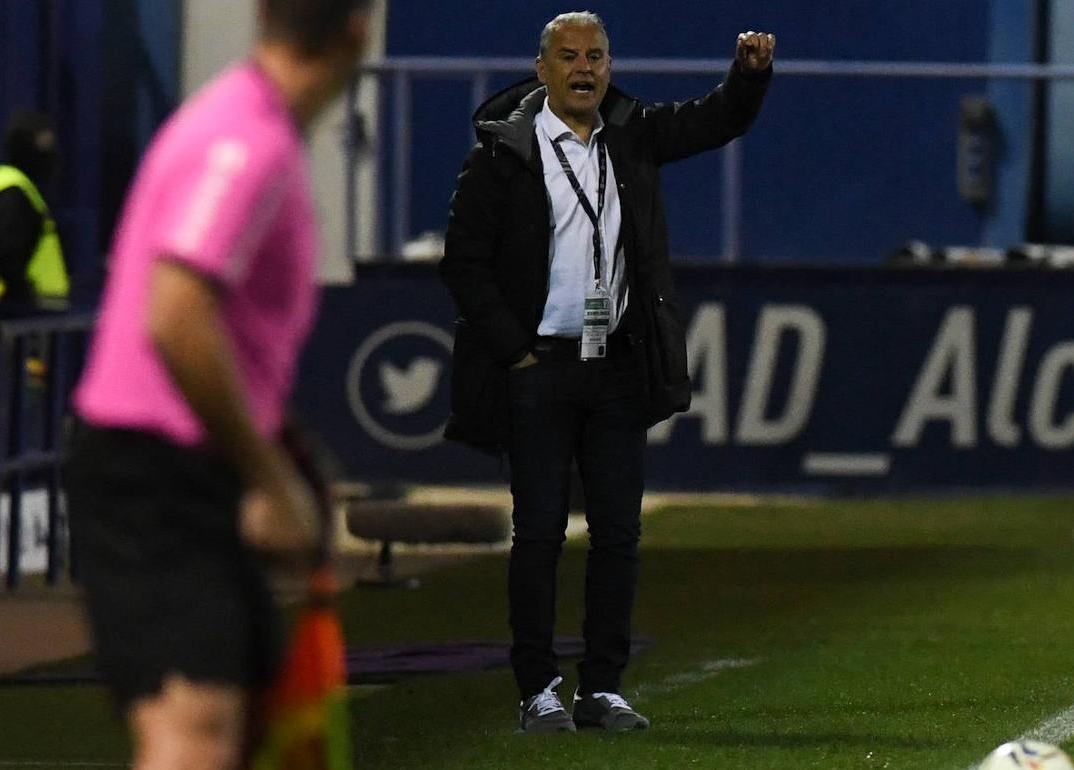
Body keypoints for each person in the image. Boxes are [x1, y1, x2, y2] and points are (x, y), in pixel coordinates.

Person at [439, 11, 774, 733]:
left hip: (615, 368)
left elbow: (715, 122)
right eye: (569, 57)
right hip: (539, 370)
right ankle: (538, 689)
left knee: (618, 534)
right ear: (542, 69)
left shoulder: (632, 137)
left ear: (610, 65)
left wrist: (748, 78)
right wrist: (516, 352)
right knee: (538, 534)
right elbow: (461, 262)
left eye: (595, 55)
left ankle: (602, 687)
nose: (584, 68)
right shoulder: (502, 156)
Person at [64, 2, 372, 769]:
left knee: (229, 734)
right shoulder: (248, 141)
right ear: (359, 31)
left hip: (177, 468)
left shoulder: (237, 122)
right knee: (194, 732)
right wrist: (269, 478)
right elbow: (175, 317)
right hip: (156, 472)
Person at [0, 111, 69, 307]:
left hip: (2, 309)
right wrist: (26, 300)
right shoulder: (14, 192)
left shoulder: (8, 184)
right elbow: (7, 258)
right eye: (43, 146)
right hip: (7, 313)